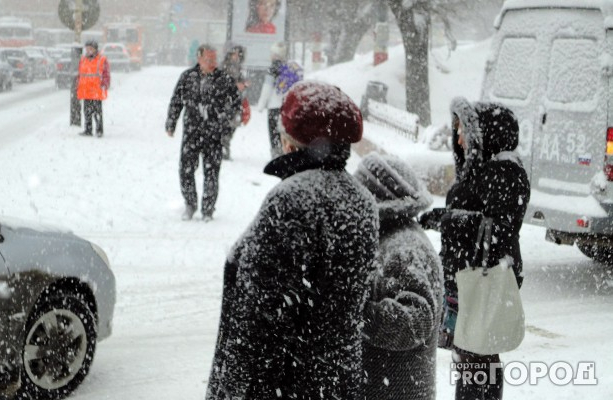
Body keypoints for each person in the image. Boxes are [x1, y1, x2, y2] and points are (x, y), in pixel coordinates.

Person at [205, 81, 378, 400]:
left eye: (283, 134)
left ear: (292, 143)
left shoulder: (292, 200)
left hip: (284, 385)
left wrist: (232, 391)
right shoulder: (362, 200)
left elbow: (261, 322)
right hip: (335, 382)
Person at [419, 98, 530, 400]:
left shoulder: (504, 172)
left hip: (485, 280)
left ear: (484, 134)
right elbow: (478, 221)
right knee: (469, 355)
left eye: (463, 131)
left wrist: (447, 219)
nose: (458, 139)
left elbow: (497, 227)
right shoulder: (484, 171)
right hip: (470, 279)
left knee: (478, 356)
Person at [353, 152, 443, 400]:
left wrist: (355, 314)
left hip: (396, 390)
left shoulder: (405, 248)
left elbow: (416, 321)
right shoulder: (389, 237)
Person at [165, 44, 241, 222]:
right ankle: (190, 204)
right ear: (199, 59)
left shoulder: (224, 79)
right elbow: (176, 100)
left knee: (212, 172)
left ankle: (208, 209)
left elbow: (236, 103)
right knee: (186, 170)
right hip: (192, 131)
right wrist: (171, 122)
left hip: (214, 134)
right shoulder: (187, 77)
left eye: (214, 59)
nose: (212, 63)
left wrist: (226, 119)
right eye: (208, 59)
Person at [256, 42, 303, 158]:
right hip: (287, 106)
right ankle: (286, 153)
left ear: (275, 54)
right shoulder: (290, 67)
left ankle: (276, 154)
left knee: (274, 132)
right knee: (285, 132)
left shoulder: (273, 69)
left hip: (274, 106)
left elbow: (267, 88)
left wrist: (261, 105)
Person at [220, 43, 250, 160]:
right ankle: (223, 147)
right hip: (226, 100)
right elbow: (222, 82)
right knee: (227, 125)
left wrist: (244, 84)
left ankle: (224, 146)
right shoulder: (225, 66)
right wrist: (236, 85)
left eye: (238, 54)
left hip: (236, 100)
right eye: (234, 54)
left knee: (232, 125)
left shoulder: (238, 67)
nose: (236, 56)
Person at [76, 40, 110, 138]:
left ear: (95, 49)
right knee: (87, 111)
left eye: (91, 48)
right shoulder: (83, 59)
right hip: (85, 89)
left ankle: (99, 130)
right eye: (87, 48)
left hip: (96, 90)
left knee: (97, 112)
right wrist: (78, 83)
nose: (88, 51)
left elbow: (106, 73)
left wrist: (105, 83)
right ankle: (88, 129)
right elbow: (80, 73)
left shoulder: (102, 59)